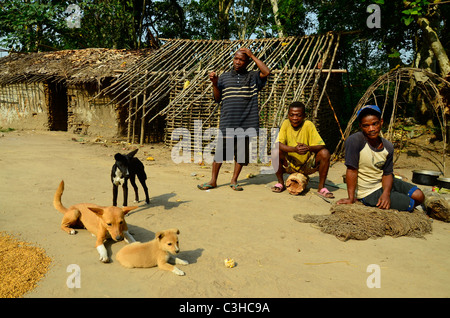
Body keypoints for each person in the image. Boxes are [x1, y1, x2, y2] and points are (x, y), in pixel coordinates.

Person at [197, 47, 270, 191]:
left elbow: (266, 72)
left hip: (247, 121)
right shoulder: (223, 77)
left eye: (242, 59)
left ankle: (234, 180)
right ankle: (213, 180)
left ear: (247, 61)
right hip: (228, 121)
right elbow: (217, 99)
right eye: (236, 58)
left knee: (241, 154)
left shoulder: (253, 76)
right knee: (221, 152)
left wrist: (251, 54)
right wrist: (214, 83)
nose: (237, 62)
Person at [337, 105, 425, 211]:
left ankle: (393, 195)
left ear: (381, 122)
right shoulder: (355, 141)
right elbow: (351, 170)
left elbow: (387, 173)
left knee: (419, 196)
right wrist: (351, 198)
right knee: (410, 204)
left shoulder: (388, 146)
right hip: (368, 191)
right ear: (360, 126)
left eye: (375, 124)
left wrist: (386, 193)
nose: (371, 129)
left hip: (382, 182)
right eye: (366, 125)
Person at [271, 101, 334, 198]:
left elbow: (321, 145)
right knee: (275, 152)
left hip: (307, 165)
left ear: (304, 116)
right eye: (292, 115)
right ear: (288, 115)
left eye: (298, 115)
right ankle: (280, 183)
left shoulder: (308, 125)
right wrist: (294, 149)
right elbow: (277, 144)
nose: (295, 118)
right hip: (290, 164)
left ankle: (321, 188)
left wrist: (308, 148)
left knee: (325, 153)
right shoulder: (285, 124)